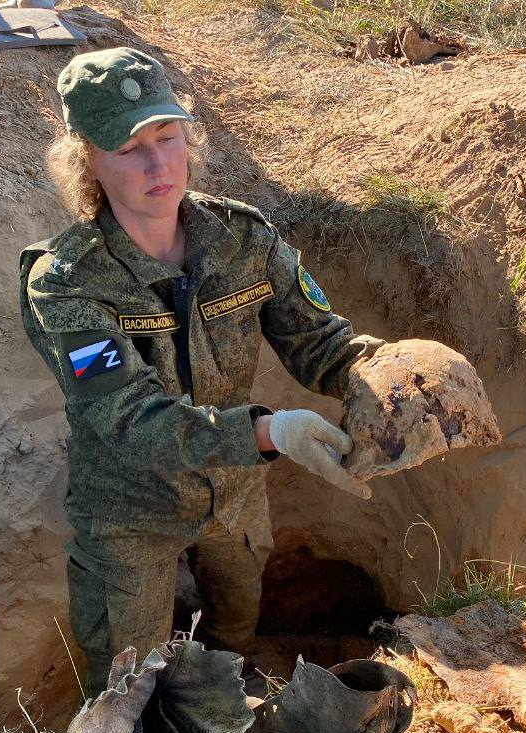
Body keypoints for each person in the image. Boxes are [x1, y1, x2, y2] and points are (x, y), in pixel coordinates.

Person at [20, 47, 383, 693]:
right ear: (89, 164)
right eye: (130, 149)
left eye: (168, 136)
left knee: (235, 634)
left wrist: (386, 374)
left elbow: (320, 344)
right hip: (129, 508)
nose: (159, 164)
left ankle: (227, 711)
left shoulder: (244, 240)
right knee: (126, 689)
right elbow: (128, 419)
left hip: (236, 493)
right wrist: (270, 433)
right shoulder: (67, 284)